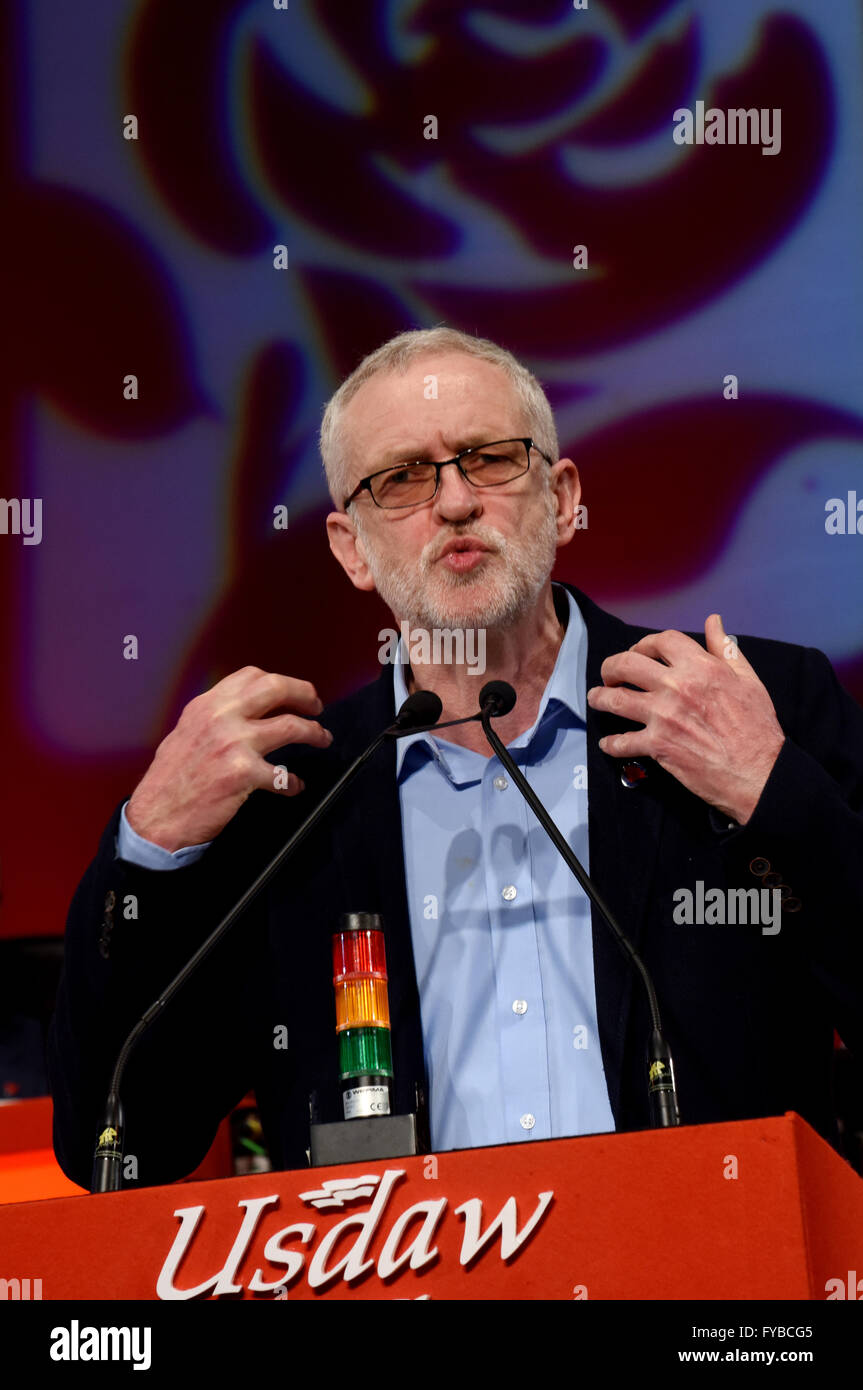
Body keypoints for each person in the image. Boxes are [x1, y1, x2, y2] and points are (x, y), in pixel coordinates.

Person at [48, 328, 863, 1190]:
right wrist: (150, 844)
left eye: (488, 459)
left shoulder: (751, 702)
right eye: (401, 478)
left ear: (562, 496)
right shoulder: (297, 799)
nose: (453, 502)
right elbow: (122, 1151)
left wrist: (774, 795)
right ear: (350, 548)